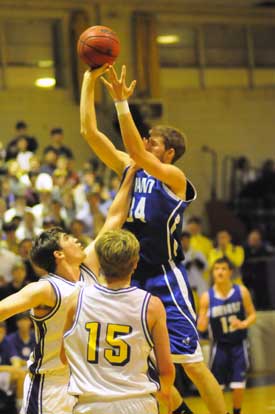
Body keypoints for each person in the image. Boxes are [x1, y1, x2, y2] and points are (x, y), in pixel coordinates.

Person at [80, 64, 228, 414]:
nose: (145, 144)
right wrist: (89, 80)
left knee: (191, 363)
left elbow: (138, 151)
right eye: (146, 140)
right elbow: (89, 132)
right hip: (128, 280)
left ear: (169, 153)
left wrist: (121, 104)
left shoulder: (173, 178)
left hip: (163, 275)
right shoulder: (129, 167)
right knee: (147, 370)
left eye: (153, 143)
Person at [0, 165, 136, 414]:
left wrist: (132, 173)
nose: (76, 238)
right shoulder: (45, 289)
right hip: (49, 383)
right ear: (59, 254)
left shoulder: (89, 269)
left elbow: (115, 218)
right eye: (67, 239)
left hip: (84, 379)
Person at [63, 229, 175, 414]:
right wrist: (166, 392)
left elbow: (63, 357)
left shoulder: (76, 301)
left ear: (99, 262)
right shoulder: (151, 306)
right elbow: (166, 369)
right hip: (137, 403)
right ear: (135, 263)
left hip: (89, 405)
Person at [198, 257, 256, 414]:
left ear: (230, 272)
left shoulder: (241, 291)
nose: (220, 272)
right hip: (219, 346)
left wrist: (243, 324)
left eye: (223, 268)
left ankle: (237, 411)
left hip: (239, 343)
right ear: (213, 273)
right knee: (217, 385)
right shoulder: (207, 297)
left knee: (238, 384)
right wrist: (202, 319)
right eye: (216, 269)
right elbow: (201, 326)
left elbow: (252, 315)